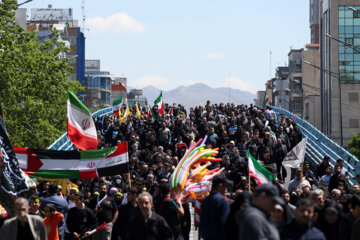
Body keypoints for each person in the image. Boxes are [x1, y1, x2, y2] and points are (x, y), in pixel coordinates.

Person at [199, 174, 231, 240]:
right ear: (220, 185)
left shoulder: (205, 201)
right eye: (225, 185)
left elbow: (201, 222)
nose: (226, 188)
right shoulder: (222, 201)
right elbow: (225, 224)